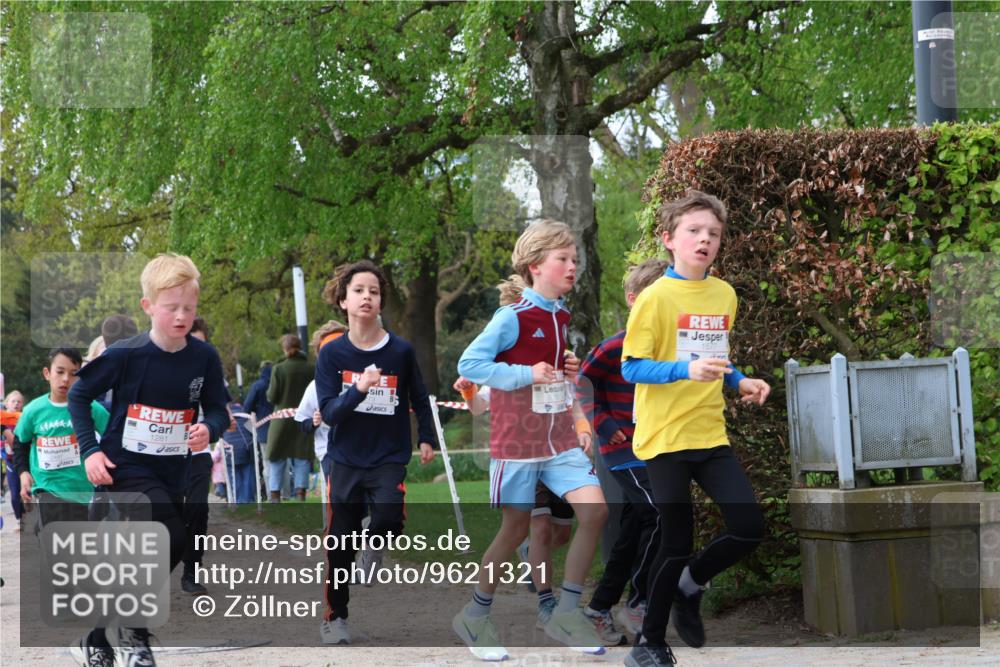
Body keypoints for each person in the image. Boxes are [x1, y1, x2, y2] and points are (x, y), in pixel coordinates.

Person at [621, 191, 771, 667]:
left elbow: (715, 358)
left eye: (713, 234)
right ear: (669, 239)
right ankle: (650, 642)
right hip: (664, 439)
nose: (704, 240)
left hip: (709, 434)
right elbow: (632, 367)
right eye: (694, 231)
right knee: (675, 540)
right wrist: (684, 372)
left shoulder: (723, 295)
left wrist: (740, 379)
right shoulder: (654, 298)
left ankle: (691, 584)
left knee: (749, 527)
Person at [454, 219, 608, 661]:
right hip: (517, 444)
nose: (572, 266)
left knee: (595, 511)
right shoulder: (511, 315)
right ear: (536, 265)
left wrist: (578, 417)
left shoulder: (561, 315)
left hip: (558, 439)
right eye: (564, 259)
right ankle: (476, 616)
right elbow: (471, 362)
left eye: (575, 259)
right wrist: (526, 373)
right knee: (514, 532)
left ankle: (565, 611)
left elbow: (554, 380)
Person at [68, 252, 229, 667]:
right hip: (126, 467)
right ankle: (135, 636)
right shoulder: (126, 354)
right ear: (148, 307)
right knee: (169, 534)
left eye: (189, 309)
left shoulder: (204, 358)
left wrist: (208, 428)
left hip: (177, 468)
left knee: (173, 542)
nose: (181, 316)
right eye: (171, 307)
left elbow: (216, 409)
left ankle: (99, 631)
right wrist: (90, 450)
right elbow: (79, 394)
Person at [314, 260, 437, 645]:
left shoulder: (399, 350)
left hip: (387, 455)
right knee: (339, 544)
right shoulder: (332, 355)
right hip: (346, 458)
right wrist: (360, 389)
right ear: (343, 300)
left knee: (388, 517)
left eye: (374, 291)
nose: (367, 297)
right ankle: (335, 618)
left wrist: (427, 437)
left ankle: (374, 541)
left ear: (381, 301)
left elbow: (419, 395)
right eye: (358, 290)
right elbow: (331, 413)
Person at [576, 258, 670, 644]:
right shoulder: (616, 345)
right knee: (661, 515)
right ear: (633, 300)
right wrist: (605, 426)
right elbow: (582, 384)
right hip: (622, 451)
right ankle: (640, 602)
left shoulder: (668, 350)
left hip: (657, 448)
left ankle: (599, 609)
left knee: (634, 530)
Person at [12, 348, 107, 528]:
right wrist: (23, 473)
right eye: (60, 372)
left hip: (81, 491)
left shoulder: (91, 408)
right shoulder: (33, 410)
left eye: (73, 374)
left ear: (80, 377)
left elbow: (111, 435)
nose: (65, 379)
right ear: (47, 373)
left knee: (76, 549)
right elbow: (20, 443)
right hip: (47, 488)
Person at [295, 319, 348, 489]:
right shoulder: (315, 386)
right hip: (330, 453)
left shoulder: (364, 378)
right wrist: (313, 422)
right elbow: (302, 422)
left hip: (365, 450)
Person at [266, 334, 314, 502]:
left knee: (277, 456)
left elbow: (273, 397)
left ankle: (275, 495)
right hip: (304, 418)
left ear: (284, 349)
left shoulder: (279, 369)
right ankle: (301, 494)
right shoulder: (311, 368)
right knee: (302, 456)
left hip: (282, 419)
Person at [2, 390, 26, 531]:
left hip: (24, 459)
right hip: (9, 461)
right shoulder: (2, 420)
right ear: (6, 403)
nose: (16, 404)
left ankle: (27, 516)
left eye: (19, 401)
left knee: (27, 491)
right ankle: (19, 520)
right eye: (13, 401)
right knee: (15, 491)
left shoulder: (24, 418)